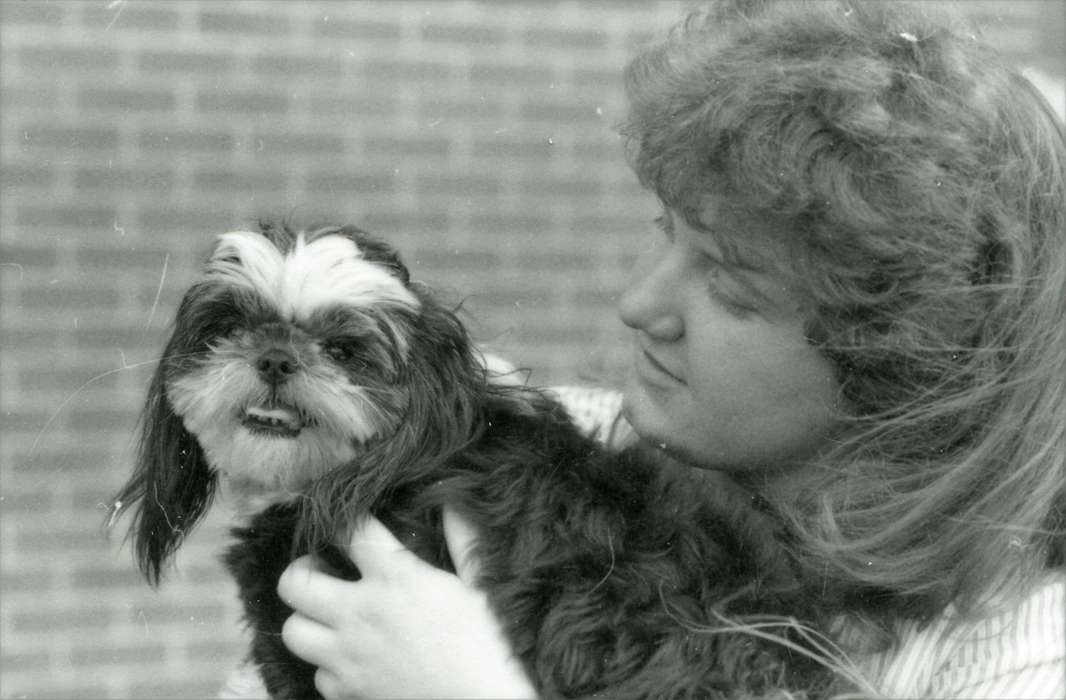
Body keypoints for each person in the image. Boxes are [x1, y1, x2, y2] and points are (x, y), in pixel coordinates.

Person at [223, 1, 1066, 697]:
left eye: (734, 288)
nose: (640, 305)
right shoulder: (563, 442)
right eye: (667, 235)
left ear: (898, 363)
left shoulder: (1017, 653)